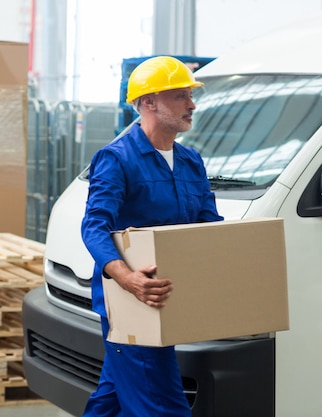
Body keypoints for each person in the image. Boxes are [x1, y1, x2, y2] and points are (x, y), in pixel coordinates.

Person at [80, 56, 223, 417]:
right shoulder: (118, 159)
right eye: (179, 96)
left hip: (169, 300)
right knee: (163, 407)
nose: (192, 104)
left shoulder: (191, 162)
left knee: (112, 399)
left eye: (190, 95)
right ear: (148, 103)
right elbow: (94, 226)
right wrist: (128, 279)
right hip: (132, 304)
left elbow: (207, 226)